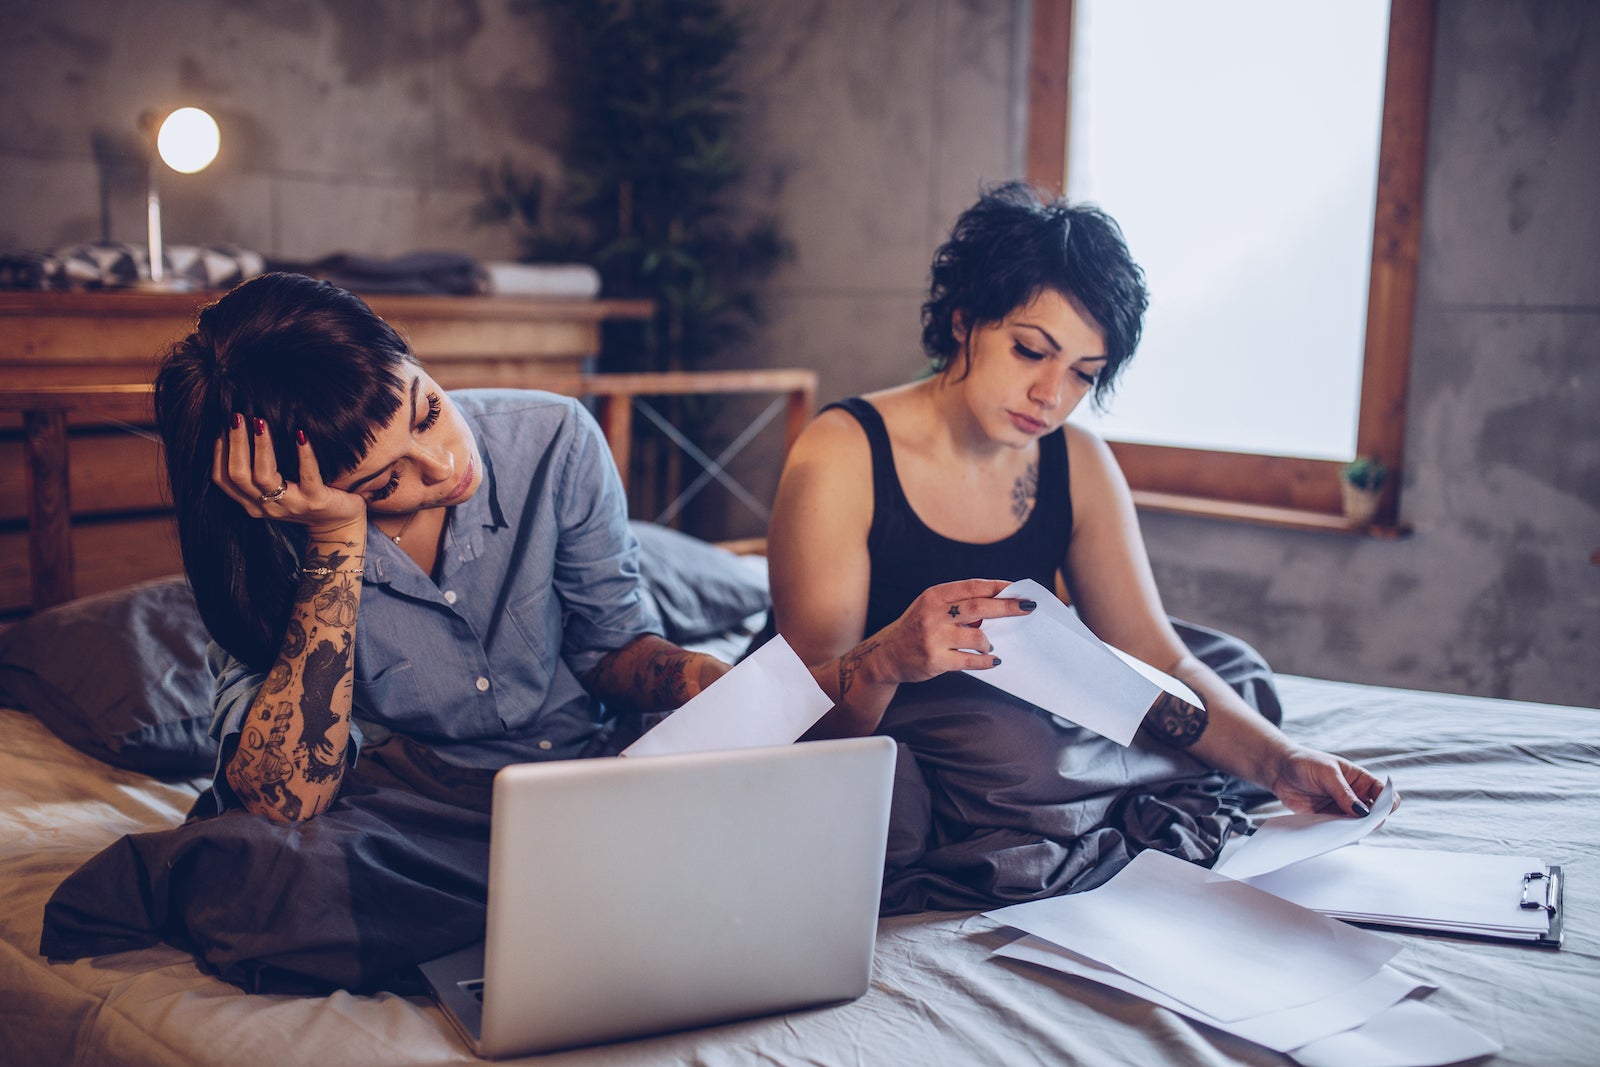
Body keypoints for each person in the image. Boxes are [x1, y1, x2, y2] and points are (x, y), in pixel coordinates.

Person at [41, 272, 728, 991]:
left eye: (428, 411)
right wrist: (336, 535)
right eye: (381, 482)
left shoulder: (553, 438)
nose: (444, 465)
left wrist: (695, 678)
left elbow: (609, 645)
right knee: (263, 887)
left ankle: (564, 888)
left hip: (583, 769)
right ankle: (592, 892)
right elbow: (284, 798)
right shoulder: (270, 536)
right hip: (416, 811)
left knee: (811, 819)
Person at [765, 183, 1388, 912]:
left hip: (1029, 690)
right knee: (1010, 747)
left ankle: (1092, 775)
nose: (1051, 396)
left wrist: (1282, 764)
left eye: (1084, 375)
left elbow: (1158, 655)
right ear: (964, 319)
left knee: (1229, 670)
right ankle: (1097, 774)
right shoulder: (843, 453)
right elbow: (803, 703)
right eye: (1031, 350)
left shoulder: (1078, 461)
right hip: (892, 694)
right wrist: (893, 655)